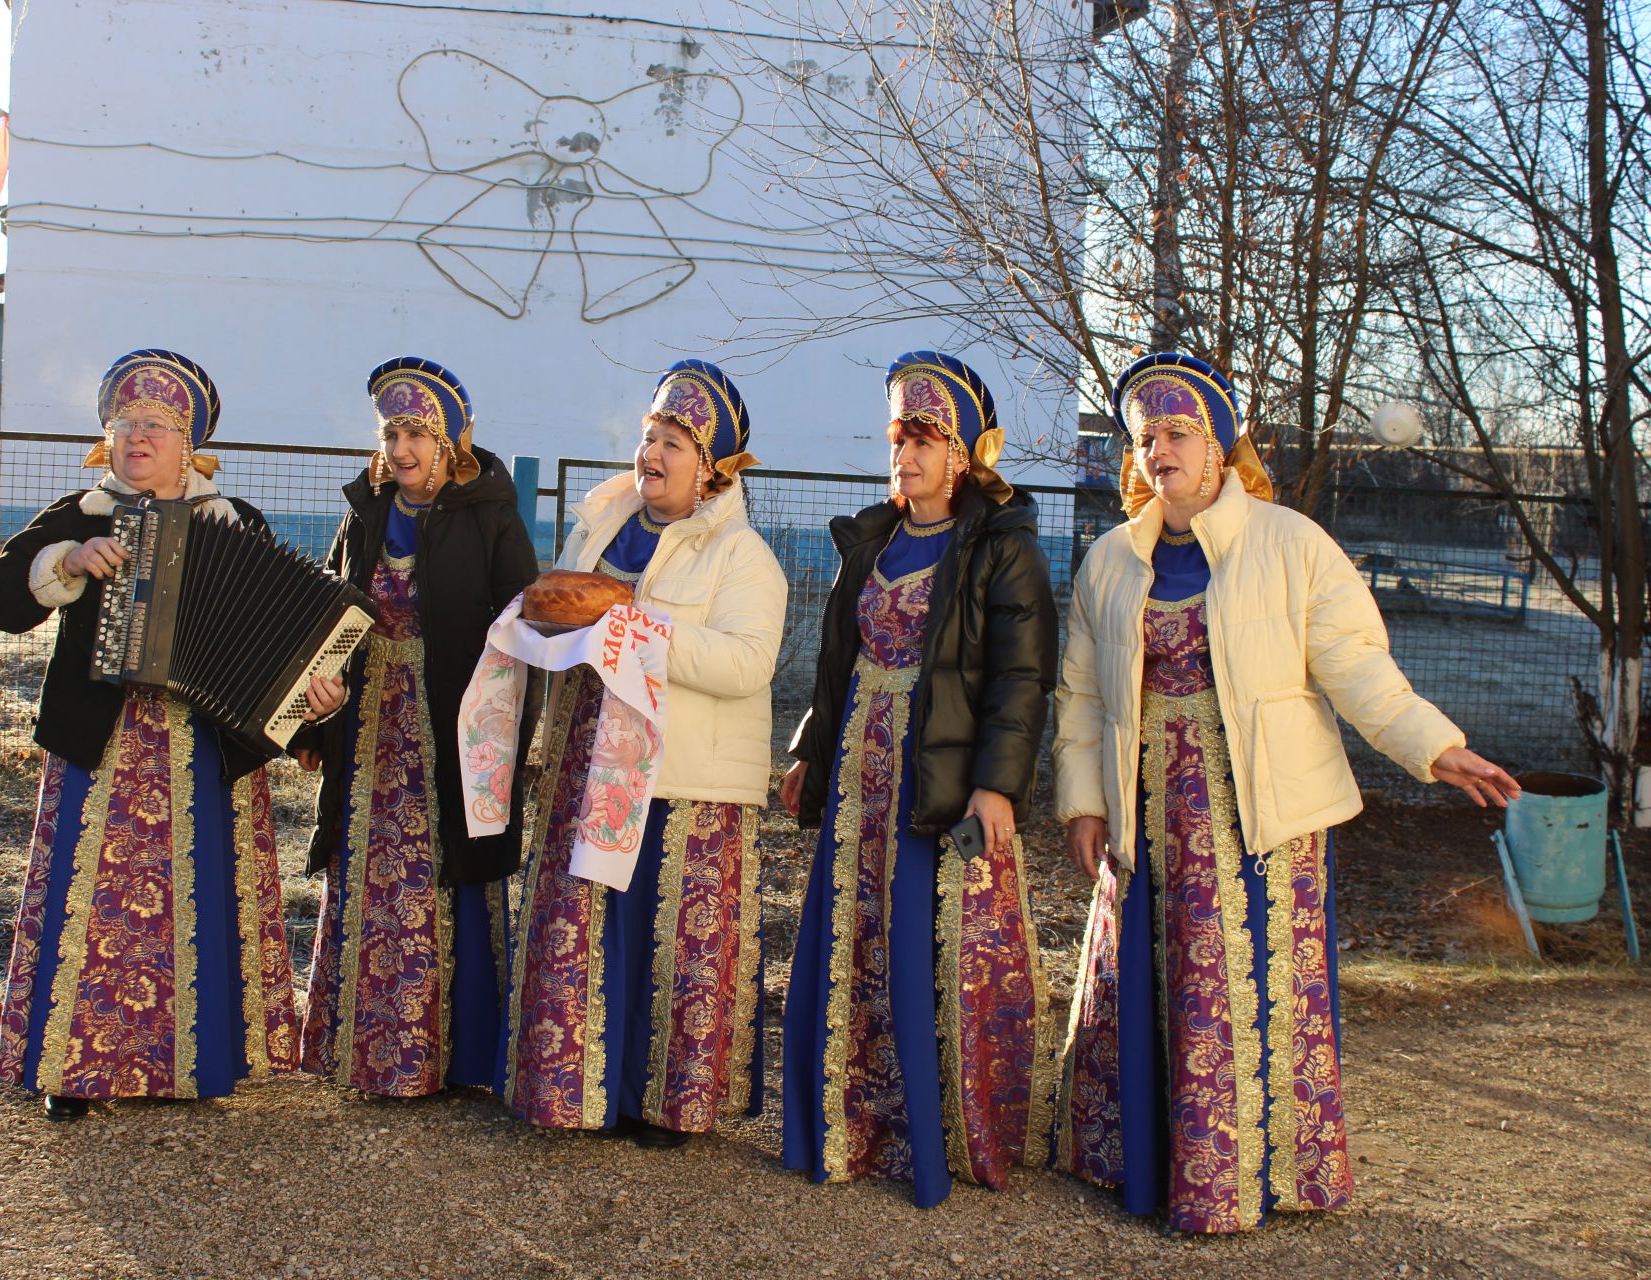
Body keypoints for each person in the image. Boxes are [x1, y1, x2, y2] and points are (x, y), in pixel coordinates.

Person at [1050, 352, 1521, 1233]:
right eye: (1146, 436)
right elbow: (1079, 694)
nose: (1161, 450)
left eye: (1180, 432)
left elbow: (1357, 667)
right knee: (1150, 977)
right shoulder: (1111, 560)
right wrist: (1082, 800)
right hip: (1146, 812)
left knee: (1247, 987)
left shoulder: (1289, 542)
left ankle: (1256, 1175)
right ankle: (1147, 1163)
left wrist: (1435, 747)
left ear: (1222, 448)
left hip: (1257, 819)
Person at [0, 348, 344, 1121]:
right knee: (96, 903)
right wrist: (68, 561)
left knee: (202, 894)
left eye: (153, 425)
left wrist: (312, 693)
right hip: (102, 745)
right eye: (123, 425)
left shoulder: (233, 522)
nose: (135, 439)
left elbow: (279, 639)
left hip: (200, 748)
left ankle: (197, 1059)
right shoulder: (81, 515)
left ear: (189, 445)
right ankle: (72, 1071)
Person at [779, 351, 1059, 1208]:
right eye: (900, 437)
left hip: (936, 778)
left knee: (919, 952)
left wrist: (998, 786)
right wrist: (807, 754)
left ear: (966, 455)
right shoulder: (873, 539)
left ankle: (931, 1141)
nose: (906, 456)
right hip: (860, 773)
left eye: (927, 440)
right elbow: (838, 666)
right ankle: (847, 1126)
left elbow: (1022, 681)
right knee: (849, 943)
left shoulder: (1003, 548)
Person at [501, 359, 787, 1148]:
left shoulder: (743, 558)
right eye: (649, 436)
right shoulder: (602, 523)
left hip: (678, 780)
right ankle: (572, 1088)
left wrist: (643, 633)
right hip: (584, 762)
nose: (652, 454)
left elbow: (746, 664)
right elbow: (569, 609)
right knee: (587, 927)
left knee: (665, 942)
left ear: (713, 470)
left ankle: (662, 1103)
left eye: (674, 444)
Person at [292, 356, 539, 1096]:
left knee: (441, 872)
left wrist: (501, 740)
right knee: (366, 870)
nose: (400, 449)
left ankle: (450, 1059)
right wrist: (311, 715)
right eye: (391, 432)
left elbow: (521, 629)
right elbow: (328, 616)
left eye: (416, 434)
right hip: (367, 728)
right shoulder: (366, 510)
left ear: (450, 442)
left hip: (452, 729)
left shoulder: (491, 514)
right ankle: (361, 1051)